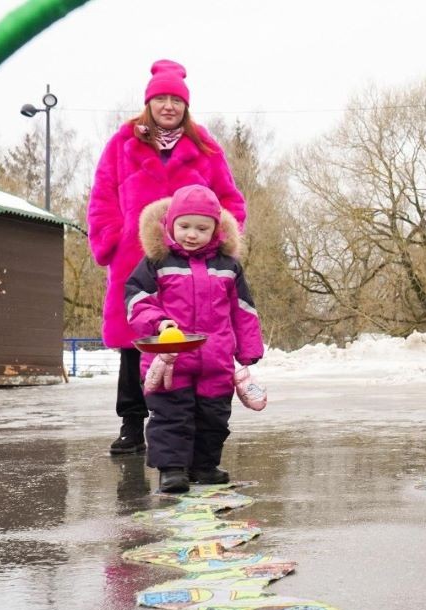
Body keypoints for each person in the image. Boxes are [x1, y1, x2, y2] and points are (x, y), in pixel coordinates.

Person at [88, 59, 246, 455]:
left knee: (186, 341)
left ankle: (184, 424)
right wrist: (110, 236)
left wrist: (221, 242)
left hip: (193, 260)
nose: (169, 106)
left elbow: (229, 199)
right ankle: (131, 424)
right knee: (135, 340)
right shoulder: (122, 143)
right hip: (133, 254)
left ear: (186, 106)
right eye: (161, 98)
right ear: (149, 102)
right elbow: (102, 194)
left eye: (176, 99)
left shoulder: (205, 147)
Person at [125, 184, 264, 493]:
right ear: (170, 224)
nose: (192, 234)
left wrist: (249, 349)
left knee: (214, 416)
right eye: (184, 226)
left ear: (216, 229)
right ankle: (172, 469)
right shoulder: (157, 263)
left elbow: (242, 308)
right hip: (170, 357)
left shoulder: (228, 267)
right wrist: (158, 323)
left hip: (216, 359)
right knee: (171, 415)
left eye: (202, 228)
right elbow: (138, 300)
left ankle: (204, 465)